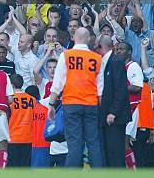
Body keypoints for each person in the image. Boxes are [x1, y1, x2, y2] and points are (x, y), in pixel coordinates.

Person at [47, 27, 104, 167]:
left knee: (74, 143)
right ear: (89, 39)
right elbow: (101, 88)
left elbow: (57, 83)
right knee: (93, 143)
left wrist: (51, 105)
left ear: (74, 38)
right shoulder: (97, 58)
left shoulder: (66, 56)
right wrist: (100, 108)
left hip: (71, 103)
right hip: (91, 104)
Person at [96, 35, 132, 167]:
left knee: (116, 155)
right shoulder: (104, 61)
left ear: (101, 47)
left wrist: (113, 112)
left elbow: (121, 89)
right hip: (105, 117)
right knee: (107, 155)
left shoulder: (116, 61)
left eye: (96, 46)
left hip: (115, 118)